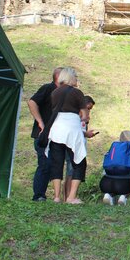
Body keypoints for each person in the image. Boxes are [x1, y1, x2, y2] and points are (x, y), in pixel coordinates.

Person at [46, 67, 94, 204]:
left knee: (57, 163)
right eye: (76, 77)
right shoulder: (77, 93)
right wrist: (83, 118)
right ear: (71, 77)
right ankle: (71, 196)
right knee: (79, 162)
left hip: (56, 130)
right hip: (72, 130)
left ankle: (56, 196)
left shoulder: (54, 93)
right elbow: (84, 115)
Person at [27, 67, 62, 202]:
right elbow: (31, 102)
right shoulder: (48, 88)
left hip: (56, 136)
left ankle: (47, 195)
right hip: (42, 135)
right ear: (58, 77)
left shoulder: (63, 93)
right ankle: (38, 195)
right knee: (45, 163)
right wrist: (40, 122)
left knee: (52, 164)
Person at [64, 95, 95, 200]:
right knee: (71, 170)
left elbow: (81, 130)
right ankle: (68, 196)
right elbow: (73, 130)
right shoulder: (75, 115)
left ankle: (72, 195)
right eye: (88, 108)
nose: (89, 111)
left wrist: (86, 133)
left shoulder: (85, 118)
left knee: (75, 170)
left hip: (79, 145)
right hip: (72, 146)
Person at [101, 130, 130, 206]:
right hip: (125, 185)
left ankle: (108, 195)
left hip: (105, 183)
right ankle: (123, 197)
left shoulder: (115, 146)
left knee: (113, 182)